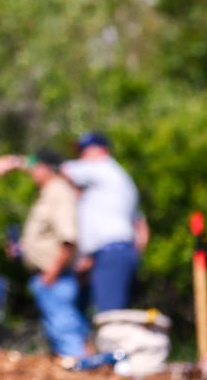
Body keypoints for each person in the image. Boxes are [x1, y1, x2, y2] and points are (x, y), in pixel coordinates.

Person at [0, 148, 89, 362]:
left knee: (66, 333)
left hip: (55, 276)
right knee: (60, 334)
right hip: (49, 276)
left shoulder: (59, 192)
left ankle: (82, 371)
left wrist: (52, 272)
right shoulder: (49, 192)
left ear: (46, 168)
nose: (32, 171)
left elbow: (68, 238)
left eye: (36, 167)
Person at [62, 130, 148, 313]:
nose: (82, 155)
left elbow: (59, 169)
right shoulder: (121, 181)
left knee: (110, 320)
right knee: (112, 318)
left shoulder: (103, 168)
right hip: (117, 253)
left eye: (86, 149)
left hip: (110, 253)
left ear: (103, 150)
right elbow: (142, 229)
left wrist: (18, 162)